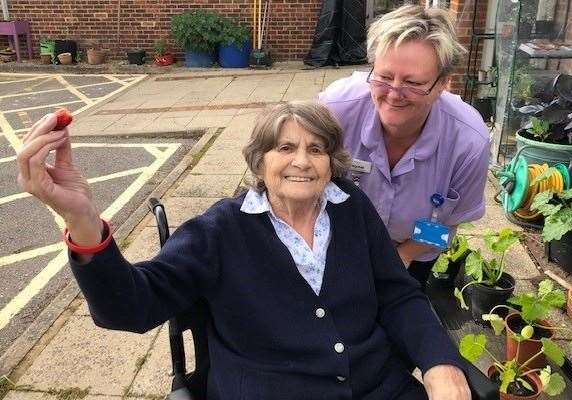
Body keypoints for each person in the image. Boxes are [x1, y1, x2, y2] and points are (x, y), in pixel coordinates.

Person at [17, 101, 471, 399]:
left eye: (317, 149)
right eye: (285, 147)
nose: (301, 160)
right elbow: (129, 307)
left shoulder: (357, 204)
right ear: (259, 161)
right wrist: (83, 221)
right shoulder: (220, 230)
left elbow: (402, 288)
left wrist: (439, 363)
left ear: (333, 162)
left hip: (378, 384)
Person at [319, 5, 490, 289]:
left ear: (443, 84)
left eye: (413, 83)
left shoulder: (469, 142)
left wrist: (402, 256)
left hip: (415, 250)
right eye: (385, 77)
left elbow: (448, 225)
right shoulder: (335, 110)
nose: (394, 94)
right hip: (338, 242)